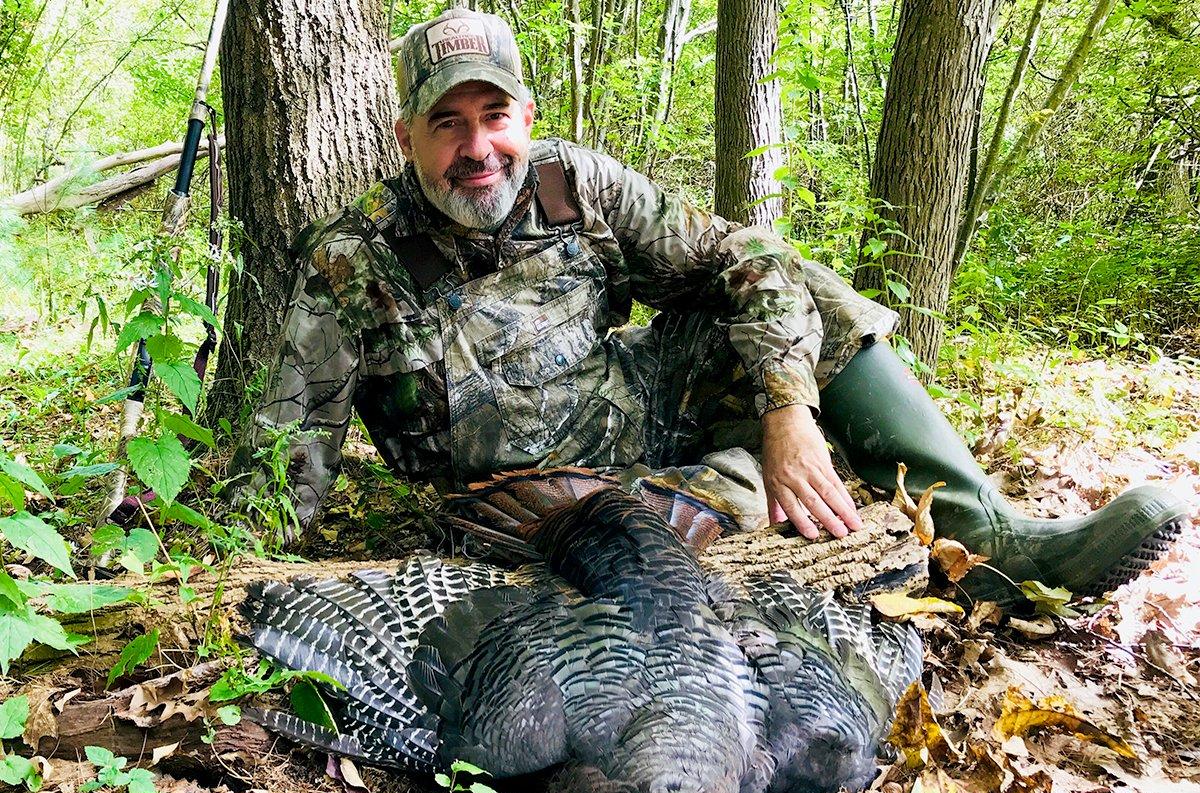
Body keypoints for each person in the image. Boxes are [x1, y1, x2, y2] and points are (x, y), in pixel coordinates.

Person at [232, 8, 1186, 608]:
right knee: (720, 503)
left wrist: (788, 410)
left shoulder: (579, 185)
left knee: (803, 288)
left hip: (643, 412)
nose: (476, 148)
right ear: (406, 136)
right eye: (448, 124)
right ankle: (749, 509)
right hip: (526, 512)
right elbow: (285, 448)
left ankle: (992, 537)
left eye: (494, 118)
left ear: (524, 117)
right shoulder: (351, 262)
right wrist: (227, 575)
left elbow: (749, 258)